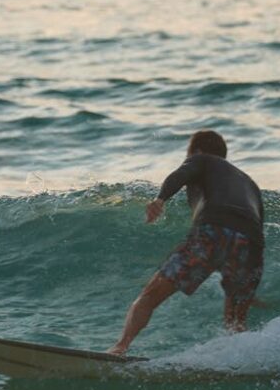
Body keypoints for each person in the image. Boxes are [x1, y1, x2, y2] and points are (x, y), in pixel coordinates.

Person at [108, 129, 266, 356]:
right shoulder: (250, 183)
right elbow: (258, 227)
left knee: (150, 295)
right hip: (250, 243)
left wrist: (160, 198)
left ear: (197, 151)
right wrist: (249, 282)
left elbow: (179, 176)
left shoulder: (201, 159)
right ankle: (243, 362)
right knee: (235, 323)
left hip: (214, 230)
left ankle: (119, 348)